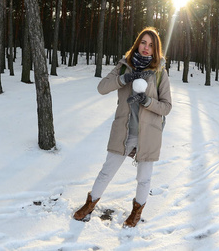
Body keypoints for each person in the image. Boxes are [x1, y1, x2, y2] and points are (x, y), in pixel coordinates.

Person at [73, 27, 172, 228]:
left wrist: (147, 101)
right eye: (143, 43)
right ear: (137, 43)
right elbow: (101, 88)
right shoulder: (124, 66)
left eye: (151, 45)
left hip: (148, 134)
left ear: (156, 50)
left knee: (143, 179)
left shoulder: (160, 73)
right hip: (123, 132)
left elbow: (167, 107)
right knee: (106, 172)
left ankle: (136, 213)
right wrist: (123, 79)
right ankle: (90, 205)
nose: (146, 48)